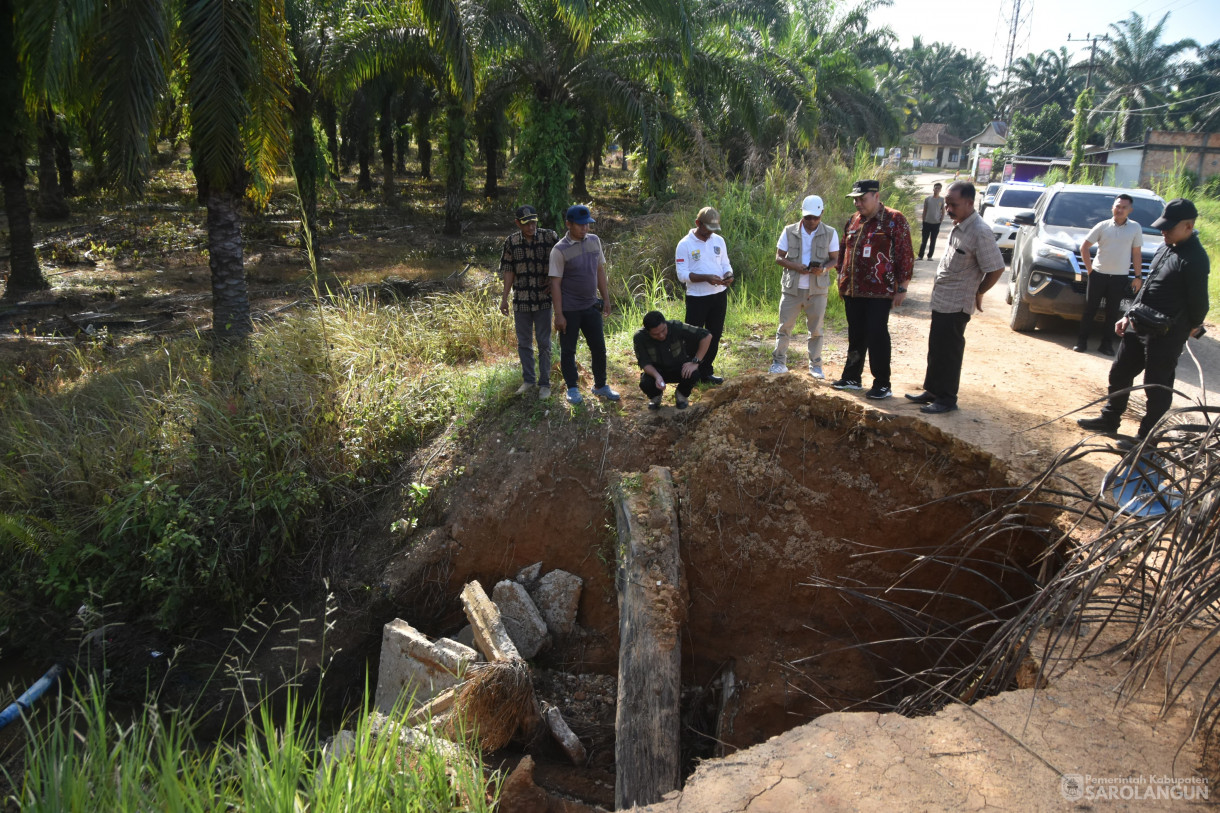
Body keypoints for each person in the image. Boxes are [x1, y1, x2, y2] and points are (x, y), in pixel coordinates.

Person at [1077, 198, 1210, 440]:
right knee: (1119, 372)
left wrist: (1191, 326)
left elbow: (1200, 303)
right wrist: (1128, 314)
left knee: (1156, 385)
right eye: (1162, 226)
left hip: (1167, 332)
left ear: (1188, 227)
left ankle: (1147, 439)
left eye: (1169, 228)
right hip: (1139, 321)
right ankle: (1109, 419)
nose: (1163, 231)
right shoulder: (1165, 247)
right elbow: (1147, 285)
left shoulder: (1195, 259)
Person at [904, 181, 1005, 414]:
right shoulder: (959, 225)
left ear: (970, 203)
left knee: (949, 351)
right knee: (936, 348)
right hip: (942, 300)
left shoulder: (980, 231)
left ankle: (947, 399)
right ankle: (932, 390)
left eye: (953, 204)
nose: (948, 209)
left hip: (958, 303)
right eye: (947, 204)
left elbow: (996, 268)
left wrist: (979, 292)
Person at [832, 179, 915, 400]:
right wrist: (841, 279)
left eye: (862, 199)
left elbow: (905, 253)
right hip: (853, 289)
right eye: (855, 200)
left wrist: (902, 286)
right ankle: (852, 377)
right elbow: (843, 252)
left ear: (876, 196)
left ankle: (882, 383)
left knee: (877, 335)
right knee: (855, 334)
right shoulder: (853, 221)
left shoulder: (894, 220)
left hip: (880, 291)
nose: (858, 204)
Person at [550, 204, 620, 405]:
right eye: (580, 225)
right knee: (568, 350)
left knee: (599, 347)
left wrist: (606, 298)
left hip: (591, 306)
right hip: (569, 309)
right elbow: (555, 283)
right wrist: (558, 314)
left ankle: (601, 386)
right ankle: (572, 388)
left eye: (587, 225)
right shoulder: (559, 250)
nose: (585, 229)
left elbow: (599, 270)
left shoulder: (594, 241)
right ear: (568, 224)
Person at [769, 194, 839, 378]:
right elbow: (778, 257)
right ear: (802, 214)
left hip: (817, 289)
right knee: (784, 327)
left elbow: (835, 259)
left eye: (815, 217)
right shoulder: (789, 230)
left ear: (822, 213)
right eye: (808, 217)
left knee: (816, 329)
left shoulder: (830, 233)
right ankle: (778, 362)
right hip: (792, 288)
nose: (811, 221)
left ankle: (815, 366)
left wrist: (823, 269)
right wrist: (795, 266)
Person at [499, 204, 559, 399]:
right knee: (524, 343)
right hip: (522, 300)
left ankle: (545, 384)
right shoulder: (511, 242)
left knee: (544, 343)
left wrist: (555, 282)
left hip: (543, 299)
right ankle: (529, 380)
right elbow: (509, 270)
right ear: (518, 223)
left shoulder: (550, 237)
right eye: (526, 224)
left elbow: (562, 262)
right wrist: (504, 298)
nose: (531, 226)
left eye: (533, 222)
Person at [1074, 193, 1144, 356]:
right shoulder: (1102, 226)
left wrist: (1138, 276)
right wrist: (1090, 270)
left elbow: (1136, 253)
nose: (1120, 210)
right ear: (1113, 208)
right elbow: (1084, 247)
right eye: (1117, 206)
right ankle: (1081, 342)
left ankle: (1106, 345)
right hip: (1098, 274)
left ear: (1130, 210)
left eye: (1124, 207)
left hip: (1119, 277)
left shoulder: (1135, 228)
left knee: (1112, 312)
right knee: (1090, 309)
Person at [675, 206, 734, 384]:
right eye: (707, 228)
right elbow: (682, 275)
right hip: (697, 298)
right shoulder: (684, 244)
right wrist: (706, 278)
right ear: (697, 223)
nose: (710, 233)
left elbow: (725, 264)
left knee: (715, 334)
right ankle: (689, 373)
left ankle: (706, 371)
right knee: (693, 336)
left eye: (713, 229)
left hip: (719, 296)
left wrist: (728, 275)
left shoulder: (719, 241)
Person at [633, 311, 713, 410]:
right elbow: (644, 363)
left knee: (694, 374)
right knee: (645, 383)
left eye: (663, 330)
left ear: (665, 323)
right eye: (656, 334)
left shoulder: (676, 327)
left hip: (680, 369)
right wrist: (657, 376)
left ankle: (681, 395)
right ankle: (656, 396)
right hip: (657, 371)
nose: (661, 335)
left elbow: (706, 336)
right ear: (647, 331)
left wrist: (696, 362)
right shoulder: (640, 338)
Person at [917, 183, 945, 261]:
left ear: (940, 190)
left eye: (938, 188)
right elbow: (925, 210)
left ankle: (930, 256)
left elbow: (943, 211)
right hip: (927, 222)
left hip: (936, 223)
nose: (937, 190)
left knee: (933, 240)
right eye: (936, 188)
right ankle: (920, 256)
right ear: (933, 189)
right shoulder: (928, 199)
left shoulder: (941, 200)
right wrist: (923, 219)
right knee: (924, 240)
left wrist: (941, 219)